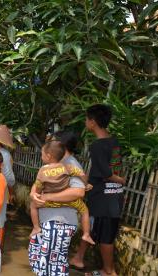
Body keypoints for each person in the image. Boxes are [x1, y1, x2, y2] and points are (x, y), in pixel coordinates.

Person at [70, 104, 126, 276]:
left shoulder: (97, 145)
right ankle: (83, 260)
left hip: (103, 197)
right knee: (97, 230)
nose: (86, 122)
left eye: (87, 119)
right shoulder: (114, 141)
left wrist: (120, 180)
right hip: (112, 195)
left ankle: (109, 271)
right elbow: (114, 166)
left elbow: (106, 172)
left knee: (105, 236)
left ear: (93, 122)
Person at [28, 135, 87, 276]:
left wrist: (47, 197)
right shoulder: (65, 165)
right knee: (47, 261)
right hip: (52, 221)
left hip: (59, 222)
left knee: (55, 263)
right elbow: (37, 186)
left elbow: (78, 192)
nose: (49, 140)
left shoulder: (70, 165)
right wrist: (33, 194)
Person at [29, 141, 95, 246]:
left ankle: (36, 228)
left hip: (48, 201)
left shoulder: (42, 171)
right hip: (70, 202)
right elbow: (82, 174)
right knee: (85, 211)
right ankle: (86, 234)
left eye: (42, 154)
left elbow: (38, 186)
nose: (41, 157)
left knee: (33, 205)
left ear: (48, 156)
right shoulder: (67, 167)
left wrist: (35, 194)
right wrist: (85, 184)